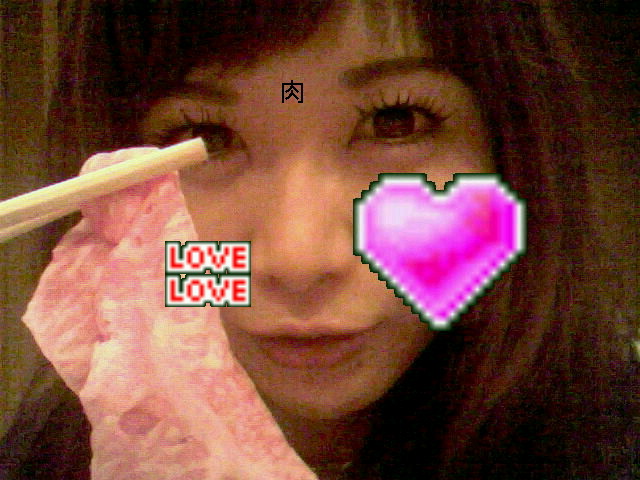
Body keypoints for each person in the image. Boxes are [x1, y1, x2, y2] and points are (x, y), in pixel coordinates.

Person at [2, 1, 637, 479]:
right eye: (207, 137)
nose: (298, 260)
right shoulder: (48, 454)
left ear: (509, 155)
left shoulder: (610, 440)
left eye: (395, 121)